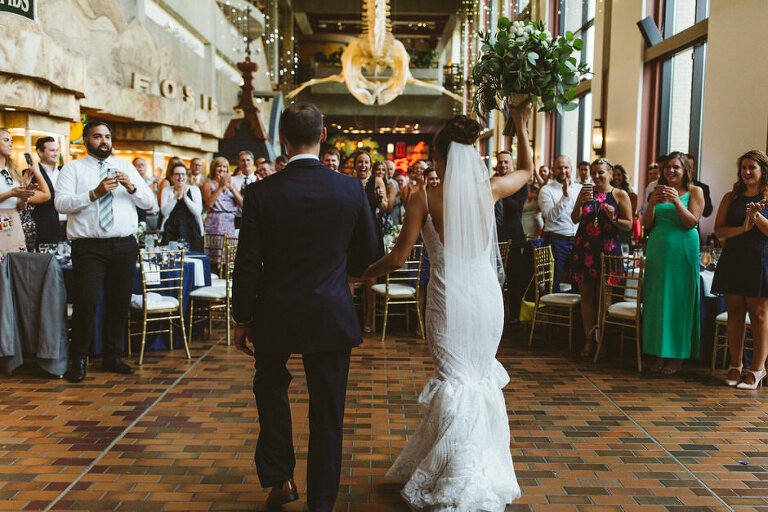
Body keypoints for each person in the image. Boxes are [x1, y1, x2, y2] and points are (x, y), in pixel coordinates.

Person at [361, 103, 532, 510]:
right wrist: (520, 124)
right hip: (487, 300)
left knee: (455, 380)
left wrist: (361, 274)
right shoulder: (489, 190)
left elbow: (398, 258)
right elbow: (527, 170)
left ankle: (459, 474)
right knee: (476, 379)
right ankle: (470, 465)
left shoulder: (423, 198)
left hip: (449, 300)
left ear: (438, 156)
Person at [231, 102, 378, 512]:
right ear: (323, 136)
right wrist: (341, 274)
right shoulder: (350, 189)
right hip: (331, 310)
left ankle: (281, 479)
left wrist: (242, 318)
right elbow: (369, 253)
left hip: (274, 312)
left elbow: (247, 263)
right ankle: (322, 503)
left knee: (270, 389)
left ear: (282, 138)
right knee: (327, 411)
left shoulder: (260, 192)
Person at [55, 120, 156, 383]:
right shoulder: (73, 168)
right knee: (86, 302)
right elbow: (61, 203)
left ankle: (112, 355)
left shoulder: (126, 167)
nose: (104, 141)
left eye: (107, 137)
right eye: (98, 137)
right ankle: (78, 359)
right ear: (86, 140)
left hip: (124, 244)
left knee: (119, 302)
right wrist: (94, 193)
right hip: (89, 246)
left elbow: (150, 202)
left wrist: (131, 188)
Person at [641, 152, 704, 375]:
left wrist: (676, 201)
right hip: (658, 250)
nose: (671, 171)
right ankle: (659, 352)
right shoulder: (656, 192)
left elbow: (691, 222)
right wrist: (652, 204)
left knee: (678, 302)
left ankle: (677, 355)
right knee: (658, 301)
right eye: (668, 167)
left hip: (682, 251)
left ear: (685, 170)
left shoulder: (695, 191)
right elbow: (646, 224)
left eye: (676, 167)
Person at [712, 150, 768, 389]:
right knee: (734, 312)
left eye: (752, 167)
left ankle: (757, 369)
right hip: (733, 258)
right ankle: (735, 364)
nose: (746, 172)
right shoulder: (731, 197)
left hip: (759, 259)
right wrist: (742, 228)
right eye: (743, 167)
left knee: (758, 314)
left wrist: (756, 216)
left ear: (762, 170)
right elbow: (719, 231)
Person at [570, 159, 633, 356]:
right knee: (586, 296)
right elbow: (574, 218)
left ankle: (602, 340)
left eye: (601, 173)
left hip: (608, 249)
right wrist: (580, 203)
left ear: (610, 173)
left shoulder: (620, 194)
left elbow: (629, 225)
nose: (596, 177)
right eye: (594, 173)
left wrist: (614, 218)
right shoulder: (585, 191)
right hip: (585, 248)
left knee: (604, 297)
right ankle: (589, 340)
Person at [0, 128, 47, 259]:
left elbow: (20, 207)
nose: (10, 144)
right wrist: (10, 193)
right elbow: (11, 195)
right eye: (6, 140)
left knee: (16, 264)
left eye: (11, 141)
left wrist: (25, 194)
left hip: (15, 222)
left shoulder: (13, 170)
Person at [494, 150, 529, 323]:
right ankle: (495, 313)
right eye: (500, 162)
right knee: (494, 279)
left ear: (512, 164)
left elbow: (517, 206)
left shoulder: (520, 183)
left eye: (506, 162)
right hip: (494, 236)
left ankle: (514, 315)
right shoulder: (493, 182)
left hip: (513, 237)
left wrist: (499, 191)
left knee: (514, 279)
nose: (503, 165)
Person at [539, 155, 581, 292]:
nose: (563, 171)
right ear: (553, 169)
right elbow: (549, 216)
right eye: (559, 168)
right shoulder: (546, 190)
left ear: (571, 169)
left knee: (579, 284)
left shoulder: (580, 189)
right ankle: (551, 306)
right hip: (556, 241)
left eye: (566, 167)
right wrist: (565, 197)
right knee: (553, 284)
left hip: (578, 241)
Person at [160, 163, 204, 252]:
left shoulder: (194, 190)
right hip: (171, 229)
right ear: (172, 177)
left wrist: (185, 198)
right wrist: (175, 197)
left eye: (183, 174)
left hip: (191, 229)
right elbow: (164, 212)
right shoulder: (166, 190)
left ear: (186, 176)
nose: (180, 177)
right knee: (171, 257)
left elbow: (197, 211)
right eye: (177, 174)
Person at [32, 136, 66, 246]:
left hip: (68, 228)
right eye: (52, 150)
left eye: (57, 150)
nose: (56, 154)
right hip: (45, 230)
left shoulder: (64, 171)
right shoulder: (31, 174)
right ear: (40, 152)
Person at [202, 156, 242, 240]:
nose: (222, 169)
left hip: (229, 223)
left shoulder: (232, 185)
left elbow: (242, 204)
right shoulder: (207, 184)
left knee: (228, 247)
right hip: (214, 223)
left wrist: (232, 189)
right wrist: (220, 187)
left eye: (224, 167)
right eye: (219, 166)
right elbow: (208, 205)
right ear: (213, 168)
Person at [231, 151, 257, 228]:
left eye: (248, 160)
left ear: (253, 162)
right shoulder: (232, 180)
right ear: (239, 163)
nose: (245, 163)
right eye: (242, 160)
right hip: (236, 218)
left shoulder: (260, 180)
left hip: (255, 218)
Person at [133, 157, 160, 230]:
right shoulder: (133, 183)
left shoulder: (153, 180)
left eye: (142, 164)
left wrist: (159, 186)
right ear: (133, 168)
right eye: (137, 165)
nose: (140, 167)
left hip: (155, 216)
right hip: (140, 217)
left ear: (146, 166)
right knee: (141, 236)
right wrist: (149, 189)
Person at [687, 153, 713, 219]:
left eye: (689, 167)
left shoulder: (702, 188)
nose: (685, 170)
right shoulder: (672, 185)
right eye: (683, 167)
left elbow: (707, 212)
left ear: (693, 169)